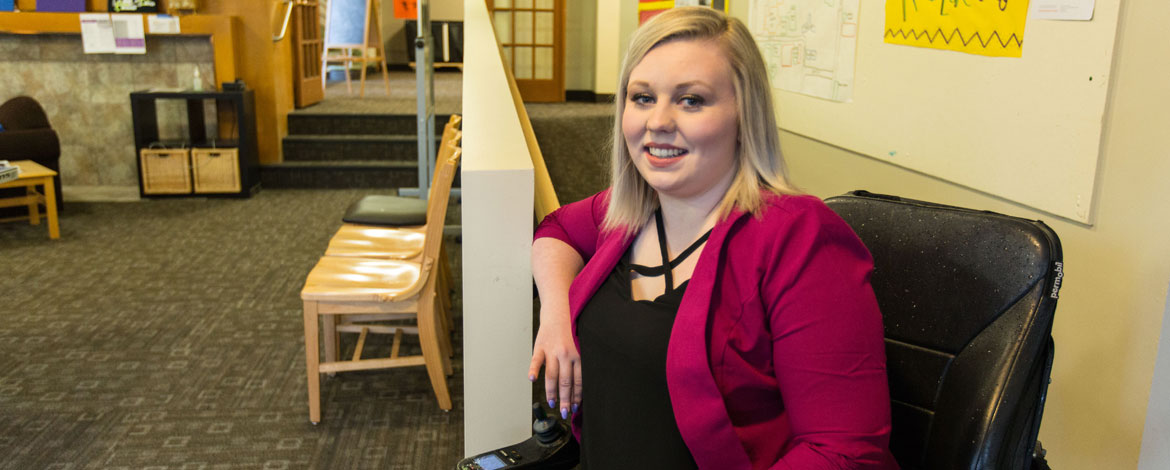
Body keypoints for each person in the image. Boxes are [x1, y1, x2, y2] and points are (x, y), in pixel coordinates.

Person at [528, 7, 898, 469]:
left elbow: (844, 453)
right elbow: (556, 229)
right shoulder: (630, 211)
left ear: (745, 114)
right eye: (642, 97)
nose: (657, 121)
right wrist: (556, 316)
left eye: (691, 100)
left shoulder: (800, 237)